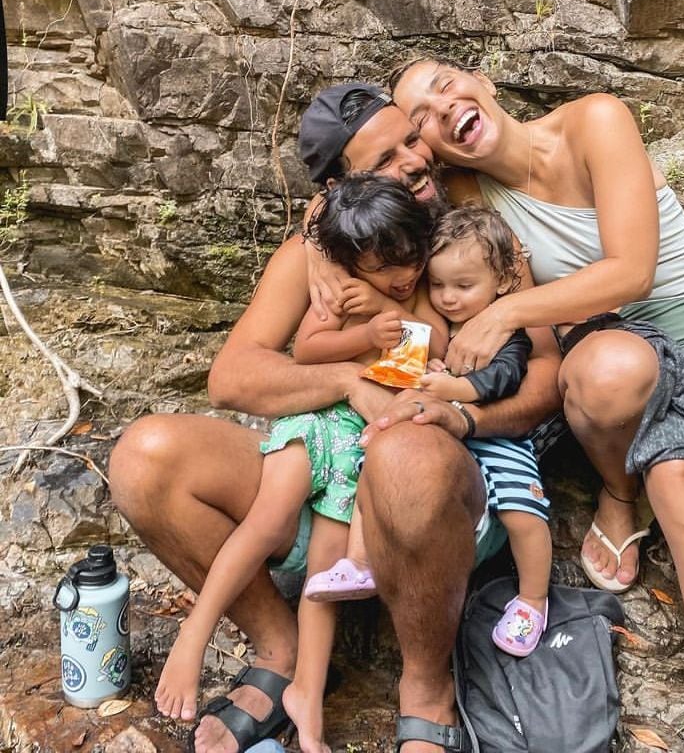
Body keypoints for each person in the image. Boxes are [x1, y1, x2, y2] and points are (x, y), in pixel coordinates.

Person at [108, 82, 562, 753]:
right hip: (338, 470)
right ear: (345, 187)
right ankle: (277, 649)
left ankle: (425, 687)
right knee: (143, 458)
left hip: (450, 490)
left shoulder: (473, 227)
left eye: (412, 138)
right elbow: (232, 378)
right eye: (386, 159)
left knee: (404, 452)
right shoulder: (326, 254)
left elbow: (548, 374)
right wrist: (349, 378)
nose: (412, 160)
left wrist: (463, 421)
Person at [391, 56, 684, 753]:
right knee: (603, 371)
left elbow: (629, 271)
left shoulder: (595, 120)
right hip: (625, 356)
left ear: (481, 82)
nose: (441, 109)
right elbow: (382, 209)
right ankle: (617, 486)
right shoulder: (470, 197)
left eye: (445, 86)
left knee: (681, 474)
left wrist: (505, 313)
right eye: (421, 116)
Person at [153, 173, 442, 753]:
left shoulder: (415, 289)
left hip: (361, 444)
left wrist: (389, 305)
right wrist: (362, 330)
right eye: (383, 268)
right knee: (266, 520)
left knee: (327, 567)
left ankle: (305, 703)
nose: (400, 273)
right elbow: (308, 348)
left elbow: (434, 340)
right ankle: (196, 631)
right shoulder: (344, 289)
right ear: (353, 262)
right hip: (319, 421)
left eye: (408, 259)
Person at [309, 204, 553, 657]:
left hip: (498, 437)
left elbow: (507, 375)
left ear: (502, 281)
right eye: (438, 285)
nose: (448, 297)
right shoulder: (443, 324)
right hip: (444, 439)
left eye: (463, 286)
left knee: (522, 510)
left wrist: (455, 387)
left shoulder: (502, 326)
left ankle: (533, 599)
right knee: (373, 467)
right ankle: (359, 563)